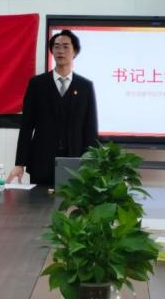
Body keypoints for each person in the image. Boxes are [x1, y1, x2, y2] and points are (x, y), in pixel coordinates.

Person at [7, 30, 99, 185]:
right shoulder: (37, 84)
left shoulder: (85, 86)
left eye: (66, 46)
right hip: (42, 159)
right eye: (56, 47)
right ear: (52, 51)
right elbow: (27, 126)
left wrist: (92, 163)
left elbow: (90, 128)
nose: (60, 51)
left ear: (75, 51)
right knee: (39, 200)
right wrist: (20, 163)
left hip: (74, 161)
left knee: (71, 199)